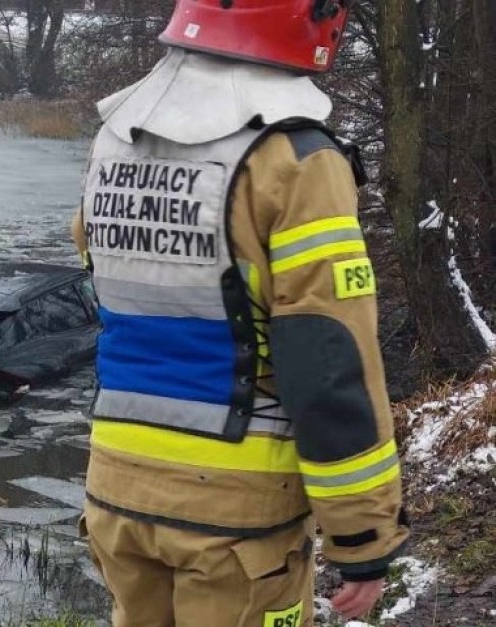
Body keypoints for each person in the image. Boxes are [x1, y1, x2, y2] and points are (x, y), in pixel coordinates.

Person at [72, 1, 409, 625]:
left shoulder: (116, 135)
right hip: (237, 516)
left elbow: (103, 274)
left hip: (116, 489)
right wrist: (362, 539)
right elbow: (329, 357)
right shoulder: (297, 156)